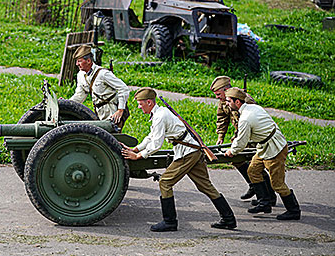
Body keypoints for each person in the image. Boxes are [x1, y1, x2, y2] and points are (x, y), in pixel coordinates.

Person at [121, 87, 237, 232]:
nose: (139, 107)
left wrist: (138, 156)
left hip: (187, 153)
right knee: (205, 185)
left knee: (165, 182)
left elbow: (156, 144)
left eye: (140, 103)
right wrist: (135, 149)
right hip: (192, 150)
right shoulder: (159, 113)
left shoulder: (160, 116)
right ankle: (229, 219)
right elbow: (151, 137)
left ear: (149, 102)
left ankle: (170, 222)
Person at [224, 87, 301, 220]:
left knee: (277, 184)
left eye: (228, 101)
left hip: (275, 149)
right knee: (253, 170)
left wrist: (232, 151)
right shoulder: (253, 108)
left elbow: (241, 142)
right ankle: (265, 202)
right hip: (264, 146)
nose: (226, 103)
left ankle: (294, 210)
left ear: (237, 102)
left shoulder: (246, 118)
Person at [210, 76, 277, 207]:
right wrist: (220, 137)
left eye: (218, 94)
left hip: (253, 136)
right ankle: (254, 186)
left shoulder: (244, 100)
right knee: (238, 160)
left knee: (256, 166)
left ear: (227, 89)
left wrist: (241, 139)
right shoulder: (224, 101)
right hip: (241, 134)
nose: (217, 97)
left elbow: (254, 120)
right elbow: (222, 118)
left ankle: (268, 196)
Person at [70, 44, 130, 130]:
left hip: (111, 109)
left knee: (112, 136)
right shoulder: (81, 75)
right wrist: (67, 103)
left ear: (89, 61)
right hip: (98, 111)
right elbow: (80, 95)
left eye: (79, 61)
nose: (77, 64)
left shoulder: (103, 74)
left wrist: (120, 110)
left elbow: (123, 88)